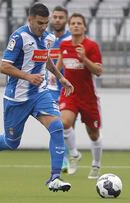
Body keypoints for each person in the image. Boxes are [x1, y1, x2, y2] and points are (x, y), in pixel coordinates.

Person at [0, 3, 74, 192]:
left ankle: (55, 178)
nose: (43, 27)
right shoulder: (19, 37)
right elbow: (4, 67)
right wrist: (28, 76)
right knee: (12, 143)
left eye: (46, 23)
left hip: (40, 94)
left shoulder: (48, 38)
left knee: (57, 126)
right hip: (17, 98)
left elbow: (45, 58)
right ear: (30, 19)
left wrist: (61, 77)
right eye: (39, 23)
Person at [56, 13, 104, 179]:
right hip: (70, 94)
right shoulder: (64, 44)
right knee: (63, 122)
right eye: (73, 23)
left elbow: (98, 71)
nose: (76, 25)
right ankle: (74, 154)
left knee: (93, 134)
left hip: (88, 97)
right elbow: (60, 64)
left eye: (79, 23)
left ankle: (96, 165)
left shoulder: (91, 46)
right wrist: (52, 75)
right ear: (69, 26)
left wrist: (84, 59)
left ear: (84, 27)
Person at [47, 6, 72, 173]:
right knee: (56, 125)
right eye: (54, 17)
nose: (57, 20)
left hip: (68, 86)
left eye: (60, 17)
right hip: (49, 88)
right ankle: (62, 159)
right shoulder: (45, 38)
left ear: (66, 20)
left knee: (68, 126)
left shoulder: (71, 39)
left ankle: (69, 154)